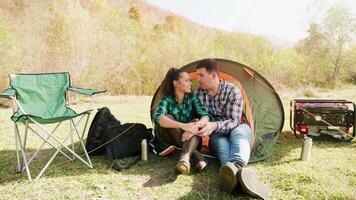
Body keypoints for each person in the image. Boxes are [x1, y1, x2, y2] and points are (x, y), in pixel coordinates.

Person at [194, 59, 271, 199]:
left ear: (214, 75)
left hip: (238, 125)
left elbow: (234, 121)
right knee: (221, 144)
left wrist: (215, 125)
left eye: (201, 75)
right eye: (197, 75)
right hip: (216, 133)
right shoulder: (198, 94)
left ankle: (237, 167)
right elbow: (199, 115)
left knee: (238, 134)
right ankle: (237, 177)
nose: (197, 79)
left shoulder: (232, 91)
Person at [152, 68, 210, 174]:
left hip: (192, 137)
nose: (190, 83)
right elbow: (157, 117)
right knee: (168, 118)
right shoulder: (167, 100)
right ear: (176, 83)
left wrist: (196, 125)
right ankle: (196, 154)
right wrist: (182, 126)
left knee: (196, 121)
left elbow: (205, 116)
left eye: (190, 80)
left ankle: (185, 156)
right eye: (187, 80)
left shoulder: (192, 98)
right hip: (174, 137)